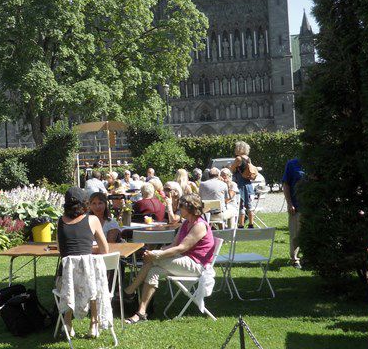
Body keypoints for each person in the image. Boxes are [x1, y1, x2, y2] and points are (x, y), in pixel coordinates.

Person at [123, 194, 216, 324]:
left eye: (180, 207)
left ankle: (130, 290)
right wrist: (155, 252)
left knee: (153, 260)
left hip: (197, 265)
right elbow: (173, 245)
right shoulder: (185, 223)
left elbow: (181, 248)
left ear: (190, 208)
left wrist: (155, 255)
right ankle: (141, 312)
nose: (178, 209)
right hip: (183, 260)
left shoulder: (199, 225)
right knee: (153, 271)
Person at [57, 187, 109, 338]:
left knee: (70, 278)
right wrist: (87, 252)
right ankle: (93, 324)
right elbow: (104, 249)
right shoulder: (93, 220)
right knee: (92, 282)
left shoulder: (60, 221)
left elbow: (61, 250)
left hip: (67, 281)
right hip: (89, 280)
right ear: (85, 203)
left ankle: (67, 323)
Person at [282, 158, 305, 269]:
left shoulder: (317, 161)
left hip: (313, 205)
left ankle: (309, 257)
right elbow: (286, 184)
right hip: (296, 205)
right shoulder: (292, 164)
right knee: (295, 233)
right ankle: (294, 259)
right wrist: (289, 203)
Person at [229, 141, 256, 228]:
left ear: (239, 148)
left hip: (240, 184)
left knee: (241, 205)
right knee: (250, 206)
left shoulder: (238, 159)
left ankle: (241, 224)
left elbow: (231, 170)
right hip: (248, 184)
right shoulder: (248, 158)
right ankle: (251, 224)